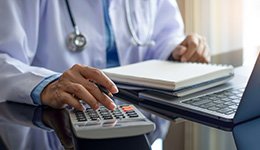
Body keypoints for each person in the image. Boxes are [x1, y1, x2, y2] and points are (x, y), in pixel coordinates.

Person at [0, 0, 209, 147]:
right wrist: (47, 83)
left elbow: (164, 35)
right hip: (56, 128)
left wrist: (178, 50)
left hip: (140, 123)